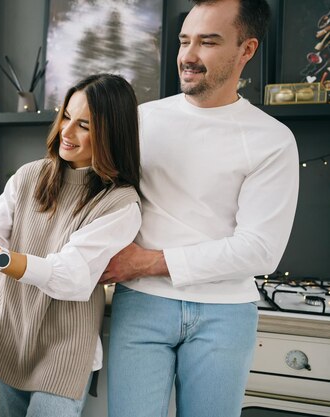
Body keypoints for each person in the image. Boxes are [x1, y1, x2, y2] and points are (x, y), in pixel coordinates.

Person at [98, 1, 299, 416]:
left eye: (208, 42)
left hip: (226, 312)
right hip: (141, 305)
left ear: (246, 50)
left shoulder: (272, 140)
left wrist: (147, 261)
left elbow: (261, 249)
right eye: (185, 40)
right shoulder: (140, 121)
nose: (188, 56)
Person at [0, 74, 142, 417]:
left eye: (84, 125)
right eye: (66, 116)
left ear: (112, 133)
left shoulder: (121, 203)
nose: (66, 132)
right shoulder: (31, 175)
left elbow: (71, 277)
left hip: (66, 351)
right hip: (10, 337)